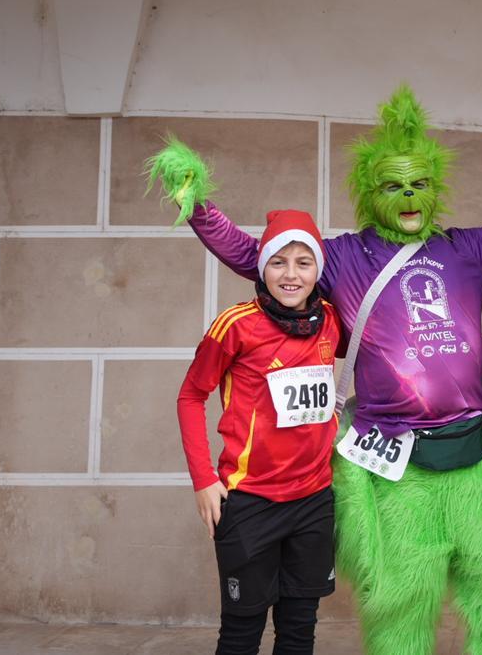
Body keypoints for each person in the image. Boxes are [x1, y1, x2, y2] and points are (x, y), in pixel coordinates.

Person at [147, 85, 482, 655]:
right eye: (394, 185)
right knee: (400, 603)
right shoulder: (338, 257)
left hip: (478, 454)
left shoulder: (468, 247)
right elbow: (252, 255)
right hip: (396, 463)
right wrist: (199, 204)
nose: (409, 195)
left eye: (419, 183)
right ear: (370, 192)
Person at [177, 210, 342, 655]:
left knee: (298, 630)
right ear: (262, 266)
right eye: (278, 262)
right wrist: (203, 480)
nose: (290, 274)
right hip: (251, 501)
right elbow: (190, 396)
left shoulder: (330, 319)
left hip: (314, 500)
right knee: (241, 633)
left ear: (318, 271)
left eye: (303, 263)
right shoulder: (236, 325)